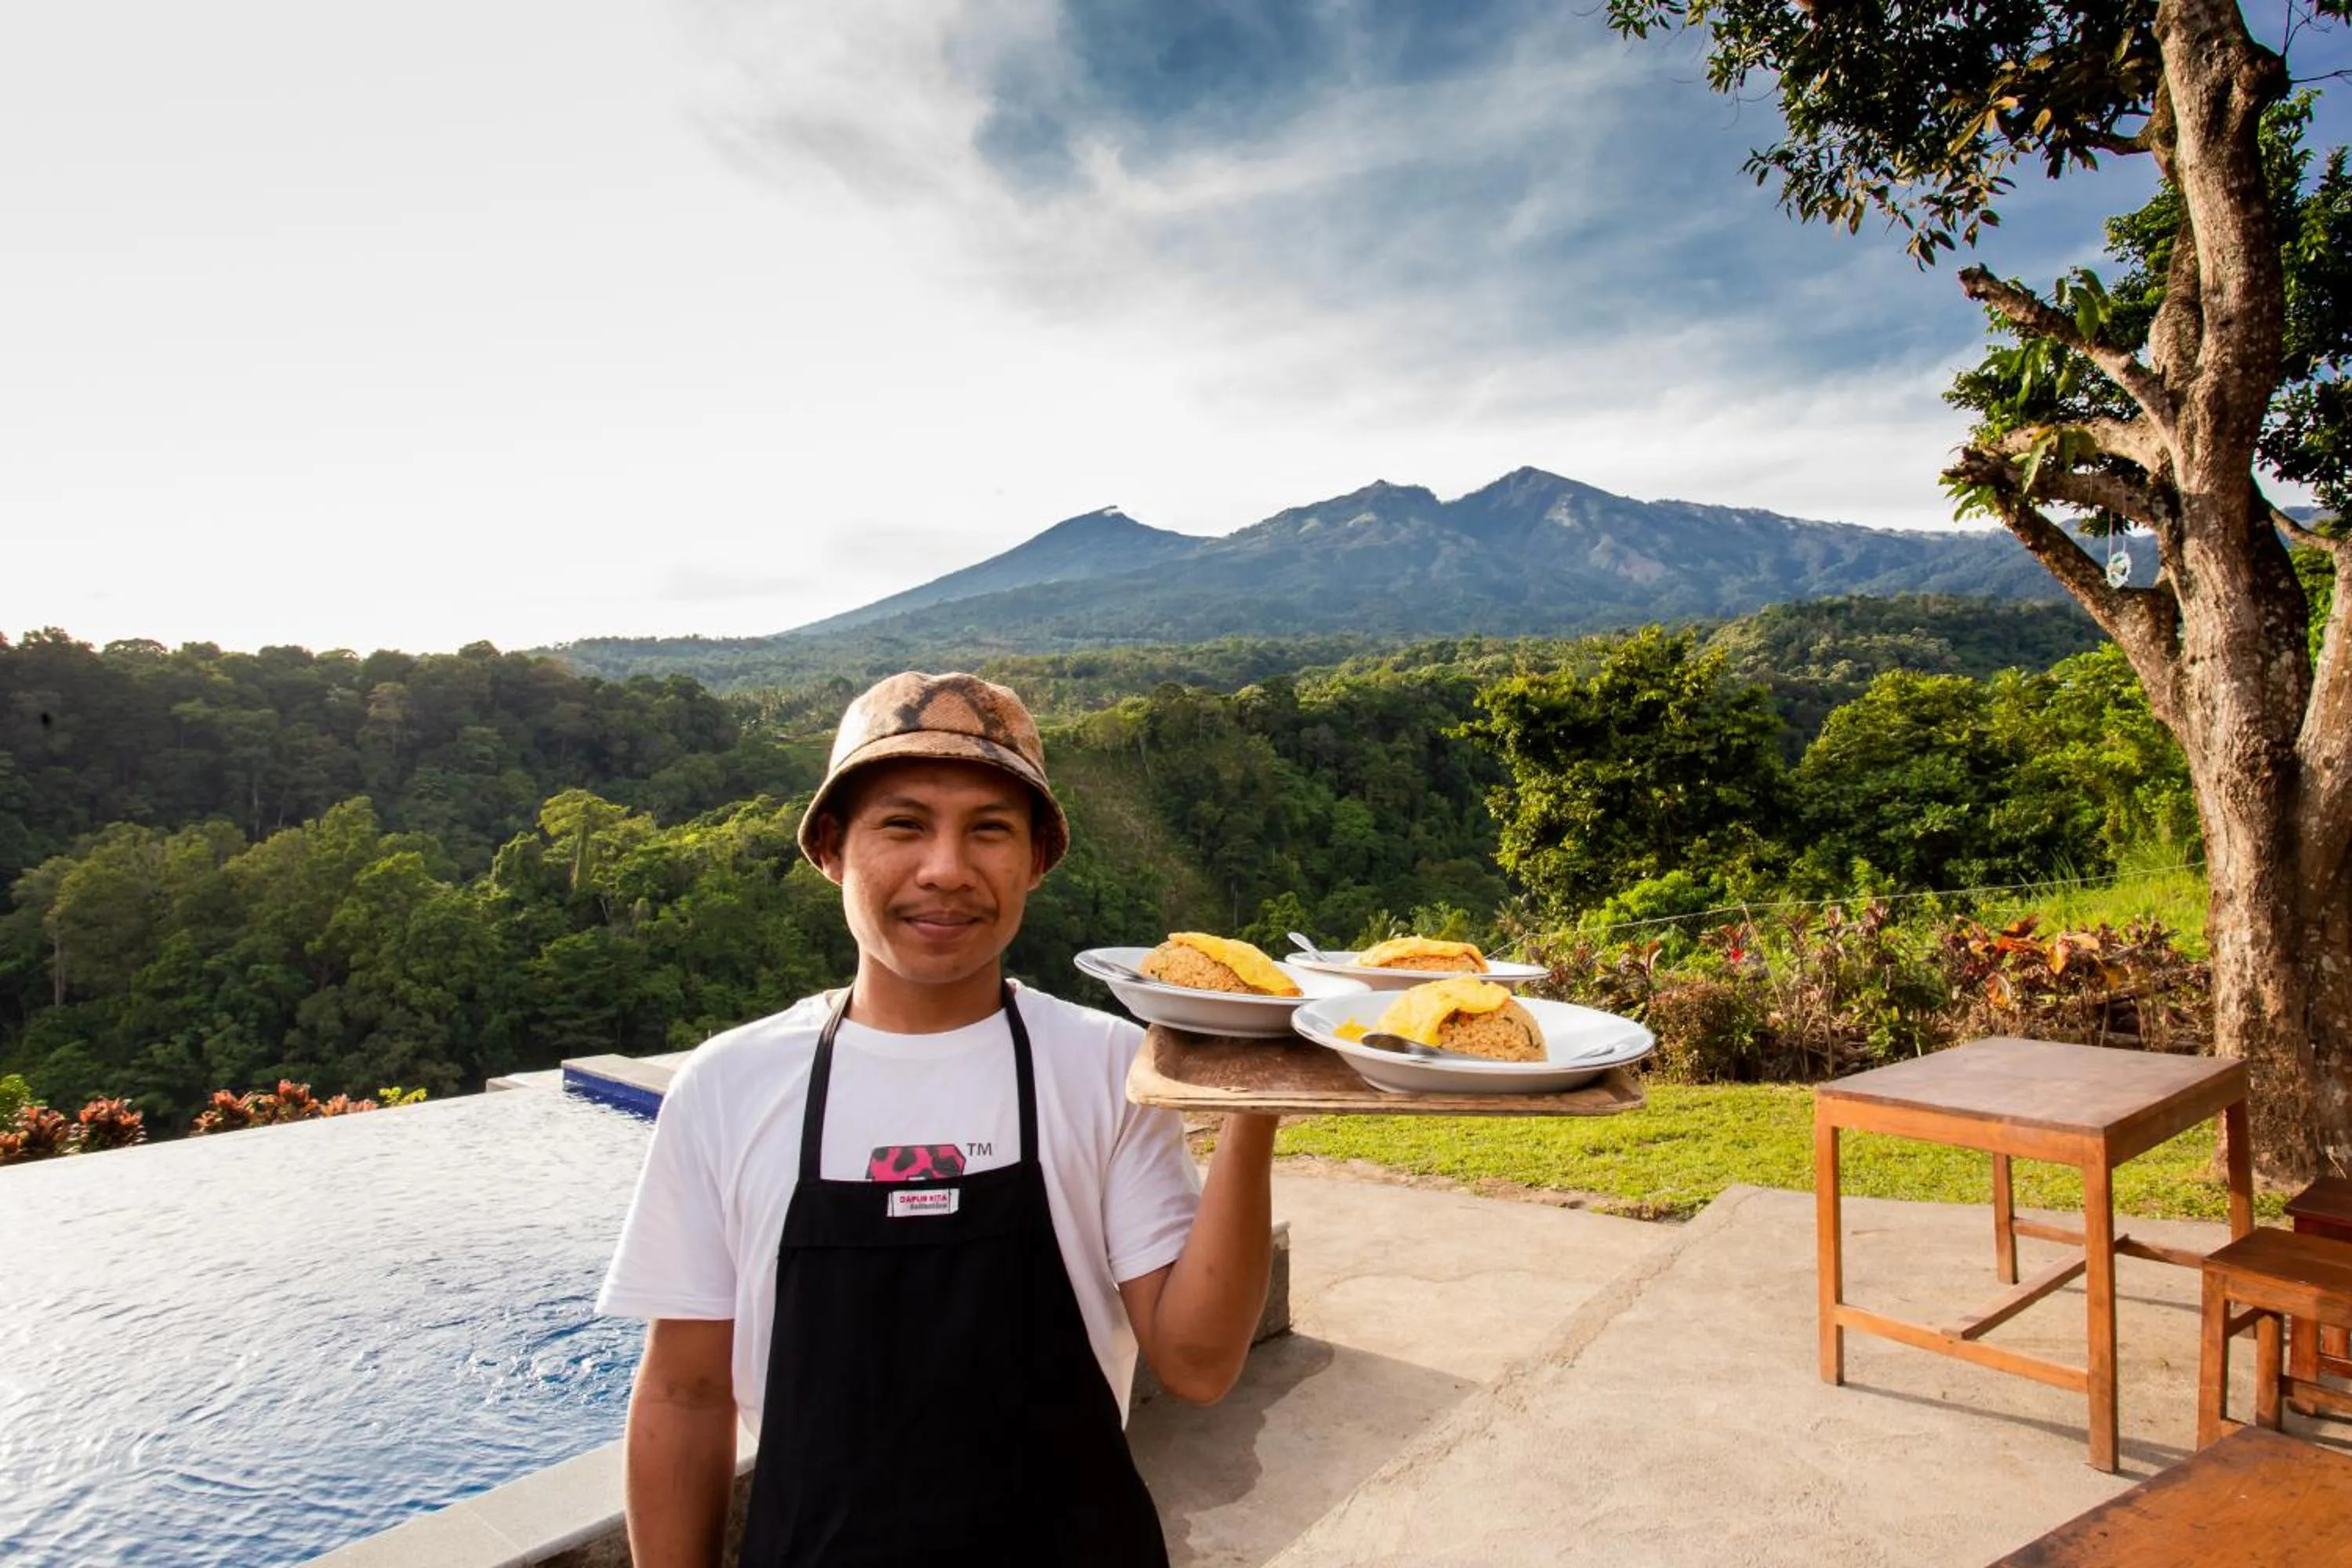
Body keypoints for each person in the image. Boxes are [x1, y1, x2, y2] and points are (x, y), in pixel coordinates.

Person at [597, 670, 1278, 1567]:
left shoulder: (1108, 1066)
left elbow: (1196, 1363)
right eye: (904, 823)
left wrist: (1253, 1101)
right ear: (833, 848)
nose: (946, 869)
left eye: (989, 829)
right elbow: (685, 1394)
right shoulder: (730, 1084)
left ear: (1034, 859)